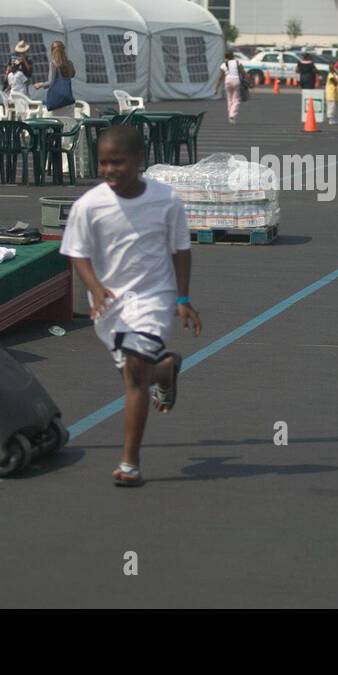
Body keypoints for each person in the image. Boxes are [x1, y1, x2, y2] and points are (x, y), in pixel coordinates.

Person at [62, 125, 202, 487]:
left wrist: (183, 298)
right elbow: (77, 253)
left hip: (154, 298)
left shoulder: (166, 200)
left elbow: (181, 250)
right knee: (132, 375)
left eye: (117, 162)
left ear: (139, 160)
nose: (109, 170)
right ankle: (166, 370)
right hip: (111, 307)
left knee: (136, 368)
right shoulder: (88, 206)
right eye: (103, 163)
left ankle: (130, 464)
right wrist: (94, 288)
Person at [35, 39, 76, 116]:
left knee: (50, 121)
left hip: (57, 102)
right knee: (68, 124)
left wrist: (40, 84)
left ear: (52, 51)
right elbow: (72, 74)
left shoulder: (53, 64)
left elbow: (51, 82)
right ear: (64, 50)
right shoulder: (69, 63)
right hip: (68, 101)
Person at [215, 51, 245, 124]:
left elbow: (220, 77)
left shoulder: (223, 65)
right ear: (233, 56)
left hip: (227, 81)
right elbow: (243, 72)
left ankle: (230, 115)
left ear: (225, 57)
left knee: (229, 99)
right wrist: (248, 81)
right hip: (236, 81)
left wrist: (216, 88)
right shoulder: (237, 62)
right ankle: (232, 115)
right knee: (236, 99)